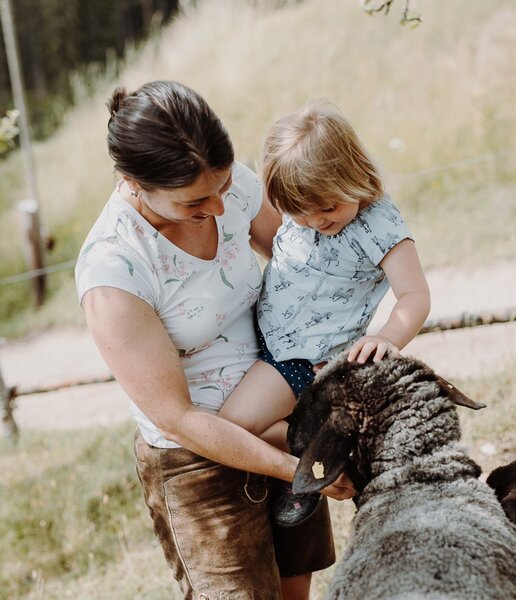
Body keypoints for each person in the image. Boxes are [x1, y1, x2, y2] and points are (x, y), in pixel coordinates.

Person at [74, 81, 355, 600]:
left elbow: (302, 268)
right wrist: (297, 468)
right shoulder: (113, 271)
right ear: (133, 182)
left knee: (297, 590)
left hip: (283, 411)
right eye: (195, 201)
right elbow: (178, 418)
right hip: (198, 463)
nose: (221, 209)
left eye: (224, 186)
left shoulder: (232, 189)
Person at [219, 99, 431, 526]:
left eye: (328, 207)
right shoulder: (300, 211)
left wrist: (387, 338)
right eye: (301, 211)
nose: (316, 220)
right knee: (238, 425)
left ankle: (323, 451)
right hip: (268, 342)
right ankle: (316, 452)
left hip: (302, 360)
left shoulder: (378, 225)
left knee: (232, 428)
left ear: (353, 176)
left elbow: (415, 296)